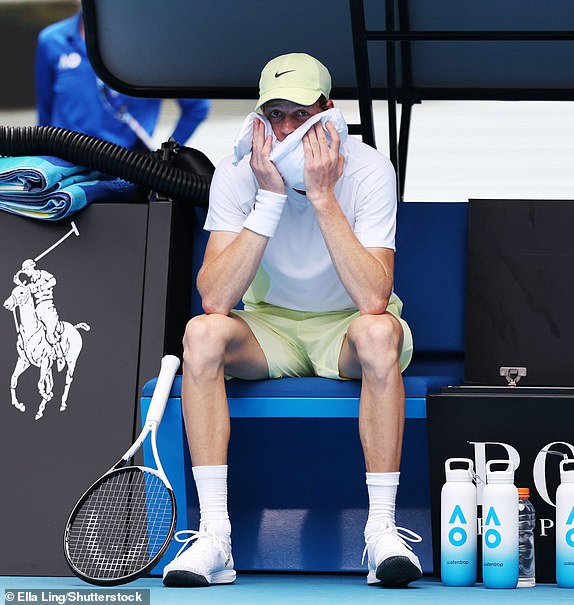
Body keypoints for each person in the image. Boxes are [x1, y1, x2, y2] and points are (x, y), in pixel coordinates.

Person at [161, 52, 422, 588]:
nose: (285, 129)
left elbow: (374, 296)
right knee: (201, 334)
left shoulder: (370, 169)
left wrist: (323, 196)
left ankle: (381, 531)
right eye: (275, 114)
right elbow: (214, 296)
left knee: (379, 335)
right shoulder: (239, 175)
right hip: (270, 329)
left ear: (329, 114)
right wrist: (271, 199)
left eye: (299, 115)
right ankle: (215, 537)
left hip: (347, 326)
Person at [35, 10, 210, 152]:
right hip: (66, 170)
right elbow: (45, 112)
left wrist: (167, 155)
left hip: (124, 171)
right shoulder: (51, 40)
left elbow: (196, 107)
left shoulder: (155, 43)